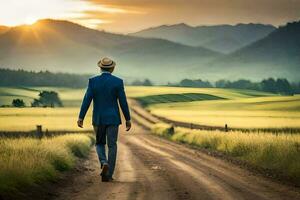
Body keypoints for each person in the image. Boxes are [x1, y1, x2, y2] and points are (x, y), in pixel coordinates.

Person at [77, 57, 131, 182]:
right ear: (112, 68)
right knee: (112, 145)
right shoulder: (118, 82)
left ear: (100, 68)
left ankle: (103, 161)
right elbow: (123, 101)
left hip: (99, 118)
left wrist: (81, 117)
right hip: (113, 119)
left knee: (100, 143)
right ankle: (109, 175)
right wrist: (127, 119)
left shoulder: (93, 81)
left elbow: (87, 100)